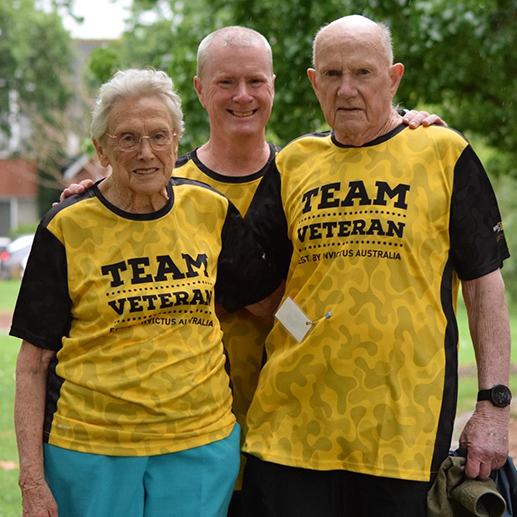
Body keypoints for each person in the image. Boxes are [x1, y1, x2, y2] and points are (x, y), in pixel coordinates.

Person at [59, 27, 446, 516]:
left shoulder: (306, 174)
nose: (242, 96)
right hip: (183, 439)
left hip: (290, 441)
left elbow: (288, 301)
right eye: (226, 82)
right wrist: (103, 193)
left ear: (275, 87)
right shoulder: (161, 186)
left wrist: (405, 122)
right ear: (199, 90)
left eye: (255, 81)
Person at [242, 15, 511, 517]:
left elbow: (483, 284)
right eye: (332, 74)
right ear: (312, 81)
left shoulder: (443, 152)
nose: (346, 89)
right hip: (291, 430)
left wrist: (494, 405)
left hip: (402, 434)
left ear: (394, 78)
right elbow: (249, 279)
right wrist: (302, 328)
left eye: (363, 73)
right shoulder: (293, 162)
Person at [11, 68, 283, 517]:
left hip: (199, 445)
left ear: (176, 142)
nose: (146, 152)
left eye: (159, 136)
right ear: (100, 148)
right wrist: (32, 481)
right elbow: (33, 365)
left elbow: (270, 304)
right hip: (91, 448)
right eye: (127, 138)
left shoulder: (209, 210)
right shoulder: (67, 226)